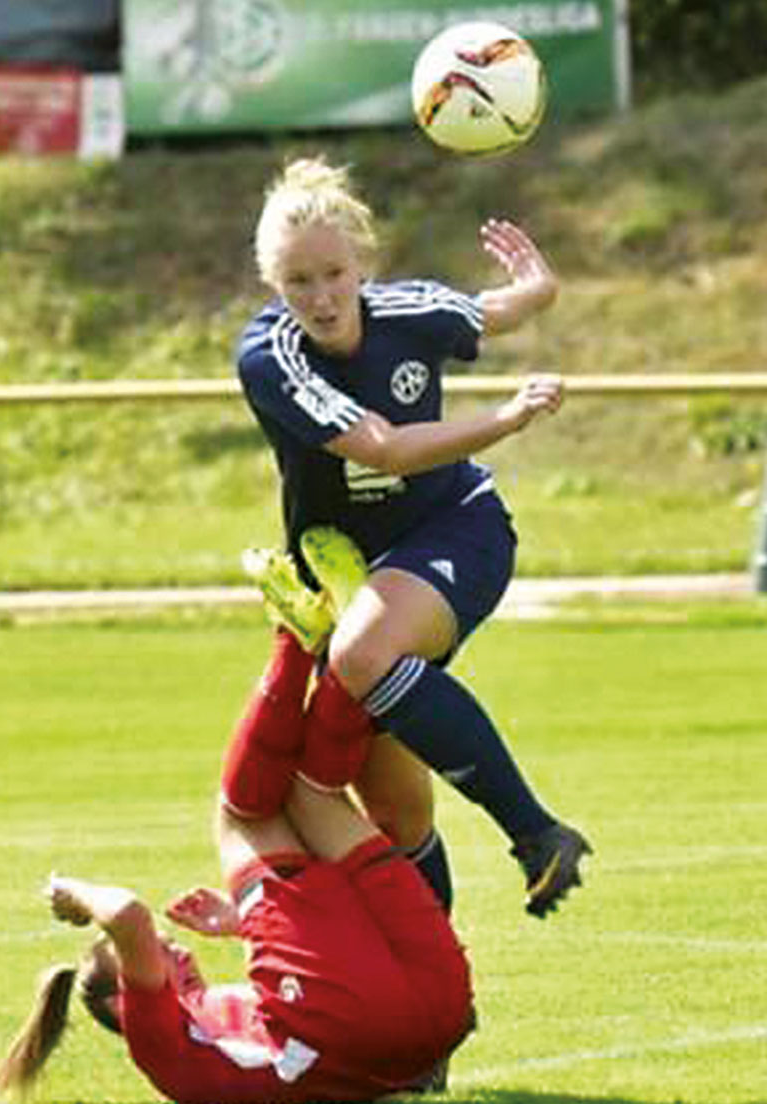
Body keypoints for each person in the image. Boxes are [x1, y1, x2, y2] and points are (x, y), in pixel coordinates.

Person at [236, 156, 591, 917]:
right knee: (398, 816)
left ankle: (537, 833)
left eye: (335, 272)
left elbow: (501, 309)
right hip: (351, 581)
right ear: (272, 282)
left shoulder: (408, 309)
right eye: (299, 281)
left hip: (456, 529)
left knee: (361, 654)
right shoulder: (271, 357)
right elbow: (385, 447)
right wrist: (508, 415)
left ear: (361, 262)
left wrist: (540, 285)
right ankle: (434, 1002)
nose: (323, 296)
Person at [0, 629, 473, 1104]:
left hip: (440, 1011)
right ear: (123, 1004)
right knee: (239, 815)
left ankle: (350, 648)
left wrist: (244, 925)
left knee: (308, 794)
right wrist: (70, 890)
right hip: (367, 1027)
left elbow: (321, 997)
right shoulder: (156, 1045)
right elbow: (128, 915)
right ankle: (304, 636)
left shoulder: (211, 1030)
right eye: (156, 954)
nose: (174, 949)